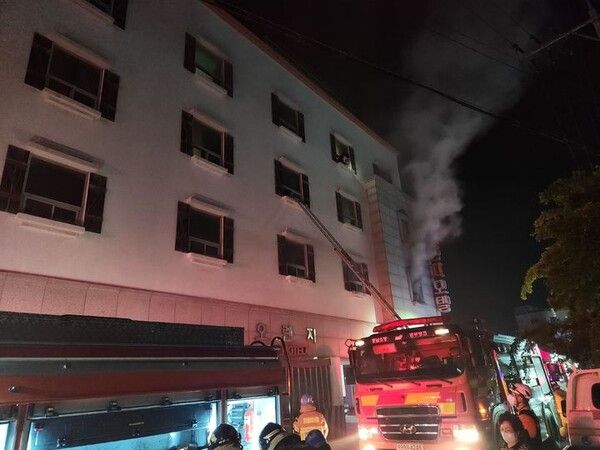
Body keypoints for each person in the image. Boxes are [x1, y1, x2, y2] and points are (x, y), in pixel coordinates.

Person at [507, 383, 542, 448]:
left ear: (520, 398)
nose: (511, 396)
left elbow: (522, 443)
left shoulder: (523, 418)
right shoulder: (526, 414)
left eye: (513, 394)